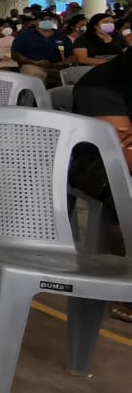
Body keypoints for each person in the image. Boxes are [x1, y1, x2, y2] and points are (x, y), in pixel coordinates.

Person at [66, 51, 132, 322]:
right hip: (97, 162)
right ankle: (125, 283)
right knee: (124, 191)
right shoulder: (104, 83)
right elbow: (124, 155)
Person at [13, 15, 73, 84]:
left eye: (49, 20)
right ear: (36, 22)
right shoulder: (24, 36)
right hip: (32, 66)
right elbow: (15, 54)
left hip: (57, 67)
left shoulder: (62, 37)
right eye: (44, 20)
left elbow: (71, 56)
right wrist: (35, 62)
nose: (47, 22)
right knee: (37, 77)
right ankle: (39, 94)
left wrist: (58, 64)